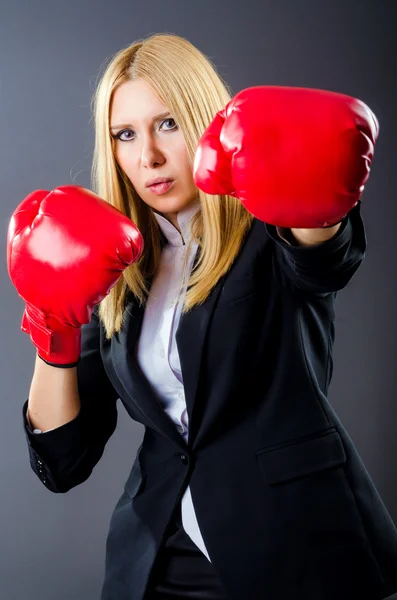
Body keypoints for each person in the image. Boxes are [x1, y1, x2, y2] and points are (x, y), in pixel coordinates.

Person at [7, 32, 397, 600]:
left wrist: (321, 190)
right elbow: (64, 460)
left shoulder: (272, 230)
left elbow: (323, 261)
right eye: (125, 134)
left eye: (167, 124)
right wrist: (51, 321)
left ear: (206, 122)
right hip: (161, 556)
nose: (149, 157)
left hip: (298, 550)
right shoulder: (113, 265)